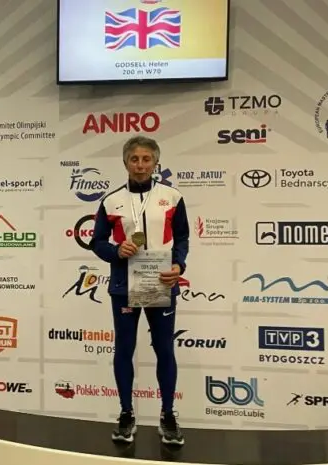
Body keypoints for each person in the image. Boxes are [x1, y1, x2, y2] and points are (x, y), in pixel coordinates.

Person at [89, 136, 189, 446]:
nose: (141, 165)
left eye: (147, 159)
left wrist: (179, 265)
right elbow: (97, 242)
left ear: (156, 163)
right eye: (135, 159)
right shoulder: (111, 201)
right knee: (124, 349)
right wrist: (116, 251)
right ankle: (126, 413)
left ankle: (168, 414)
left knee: (164, 350)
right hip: (124, 286)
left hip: (161, 281)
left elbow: (182, 238)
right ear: (125, 163)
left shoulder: (172, 197)